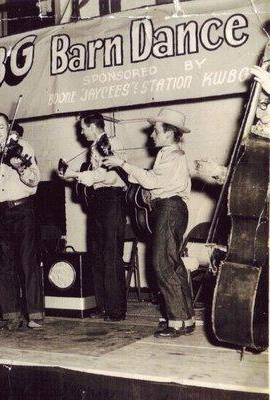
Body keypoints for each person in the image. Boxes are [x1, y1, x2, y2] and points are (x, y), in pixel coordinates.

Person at [103, 108, 194, 338]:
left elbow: (152, 181)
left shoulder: (174, 156)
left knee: (162, 263)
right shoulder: (167, 155)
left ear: (169, 133)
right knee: (172, 263)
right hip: (170, 209)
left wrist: (122, 163)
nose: (152, 135)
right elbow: (149, 181)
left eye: (156, 130)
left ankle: (176, 321)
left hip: (170, 209)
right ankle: (185, 318)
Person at [0, 113, 44, 330]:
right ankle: (11, 315)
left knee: (27, 262)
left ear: (8, 126)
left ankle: (35, 314)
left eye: (0, 128)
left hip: (23, 209)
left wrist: (20, 167)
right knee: (3, 265)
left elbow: (35, 180)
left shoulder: (23, 147)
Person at [58, 112, 127, 321]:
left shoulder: (112, 143)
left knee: (111, 255)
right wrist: (75, 175)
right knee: (97, 253)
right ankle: (102, 305)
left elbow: (110, 176)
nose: (81, 131)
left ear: (93, 126)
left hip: (112, 199)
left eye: (83, 127)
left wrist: (76, 175)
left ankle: (116, 309)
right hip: (98, 201)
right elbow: (93, 176)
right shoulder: (94, 146)